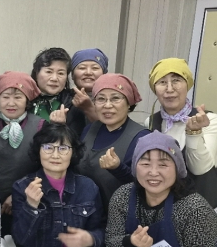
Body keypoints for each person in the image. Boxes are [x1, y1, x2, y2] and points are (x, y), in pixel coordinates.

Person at [0, 71, 44, 236]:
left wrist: (19, 194)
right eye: (5, 97)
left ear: (27, 100)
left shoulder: (41, 126)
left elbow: (46, 169)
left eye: (18, 97)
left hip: (28, 202)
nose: (11, 103)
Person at [146, 58, 217, 208]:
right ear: (155, 88)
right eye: (162, 82)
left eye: (176, 80)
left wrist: (194, 133)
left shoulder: (210, 120)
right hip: (165, 209)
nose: (169, 89)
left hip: (202, 210)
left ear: (187, 85)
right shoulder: (151, 122)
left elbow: (200, 169)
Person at [75, 73, 150, 208]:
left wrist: (118, 168)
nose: (107, 105)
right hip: (85, 213)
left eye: (115, 98)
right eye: (101, 99)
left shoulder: (142, 138)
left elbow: (147, 187)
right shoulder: (89, 130)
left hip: (121, 215)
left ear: (129, 103)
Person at [30, 47, 86, 136]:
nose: (54, 78)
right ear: (37, 73)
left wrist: (60, 127)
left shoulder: (74, 104)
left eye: (60, 73)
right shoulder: (24, 99)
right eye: (49, 72)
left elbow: (77, 141)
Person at [69, 48, 109, 124]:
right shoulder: (63, 98)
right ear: (72, 75)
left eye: (95, 68)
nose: (88, 72)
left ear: (104, 74)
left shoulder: (112, 99)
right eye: (82, 68)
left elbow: (112, 129)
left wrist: (89, 108)